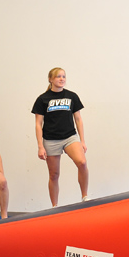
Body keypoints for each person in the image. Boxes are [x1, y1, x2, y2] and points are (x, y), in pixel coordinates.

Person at [32, 67, 89, 207]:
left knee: (82, 162)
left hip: (70, 136)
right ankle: (54, 206)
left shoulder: (72, 96)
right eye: (58, 76)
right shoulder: (42, 99)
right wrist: (40, 146)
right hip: (50, 139)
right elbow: (38, 124)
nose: (61, 79)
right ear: (50, 79)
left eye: (63, 76)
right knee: (54, 174)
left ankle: (85, 196)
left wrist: (82, 140)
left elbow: (78, 119)